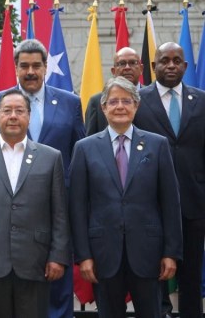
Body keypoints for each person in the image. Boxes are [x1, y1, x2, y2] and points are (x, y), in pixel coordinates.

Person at [0, 39, 85, 318]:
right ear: (15, 68)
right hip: (7, 219)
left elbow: (79, 156)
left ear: (46, 67)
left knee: (58, 286)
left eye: (37, 65)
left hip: (56, 211)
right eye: (24, 65)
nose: (31, 71)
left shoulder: (70, 102)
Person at [70, 76, 182, 318]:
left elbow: (170, 203)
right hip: (103, 255)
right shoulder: (84, 148)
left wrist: (171, 252)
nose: (120, 106)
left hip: (148, 252)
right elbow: (77, 207)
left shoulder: (157, 145)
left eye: (126, 101)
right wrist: (83, 256)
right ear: (103, 107)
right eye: (113, 101)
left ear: (136, 105)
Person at [0, 89, 70, 318]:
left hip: (35, 263)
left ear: (29, 117)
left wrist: (58, 256)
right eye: (7, 111)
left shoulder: (51, 157)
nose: (13, 116)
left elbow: (59, 213)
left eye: (19, 111)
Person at [134, 42, 205, 318]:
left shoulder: (201, 100)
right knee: (154, 274)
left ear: (186, 66)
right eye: (165, 60)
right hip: (150, 205)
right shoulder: (138, 101)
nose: (171, 65)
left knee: (190, 276)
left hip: (193, 204)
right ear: (154, 67)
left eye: (177, 60)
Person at [85, 47, 143, 136]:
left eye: (132, 63)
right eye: (122, 63)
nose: (127, 67)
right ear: (113, 71)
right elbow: (90, 140)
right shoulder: (96, 101)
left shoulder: (153, 97)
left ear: (141, 69)